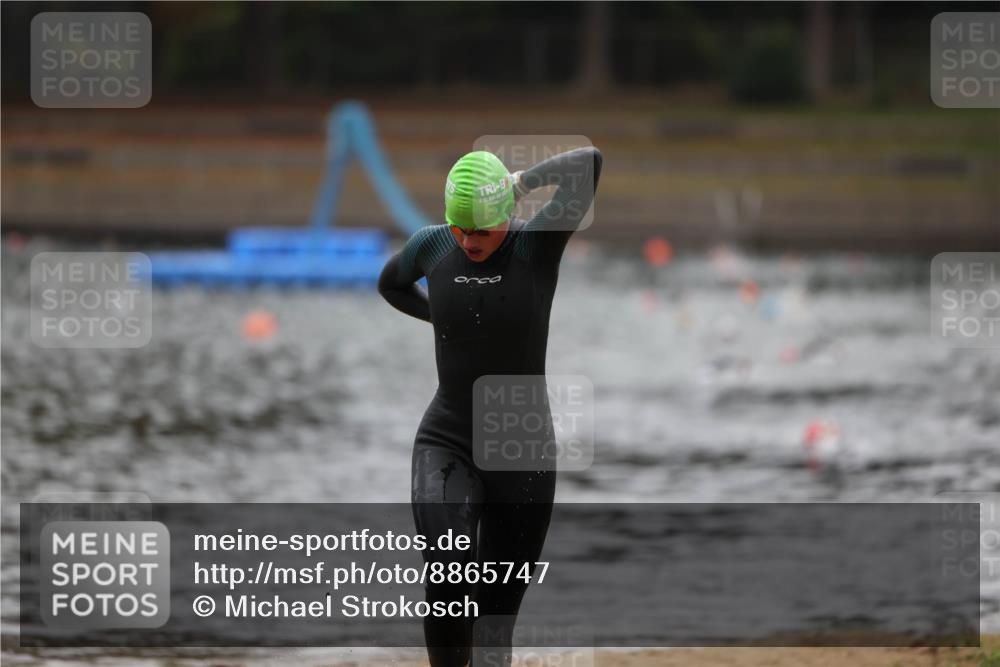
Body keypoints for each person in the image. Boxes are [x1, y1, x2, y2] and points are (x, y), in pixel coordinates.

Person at [378, 146, 602, 667]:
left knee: (495, 617)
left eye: (481, 230)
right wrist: (441, 317)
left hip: (521, 452)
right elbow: (390, 283)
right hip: (447, 438)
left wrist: (518, 184)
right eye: (461, 230)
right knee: (448, 566)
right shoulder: (432, 246)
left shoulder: (535, 247)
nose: (469, 241)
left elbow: (589, 164)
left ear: (505, 214)